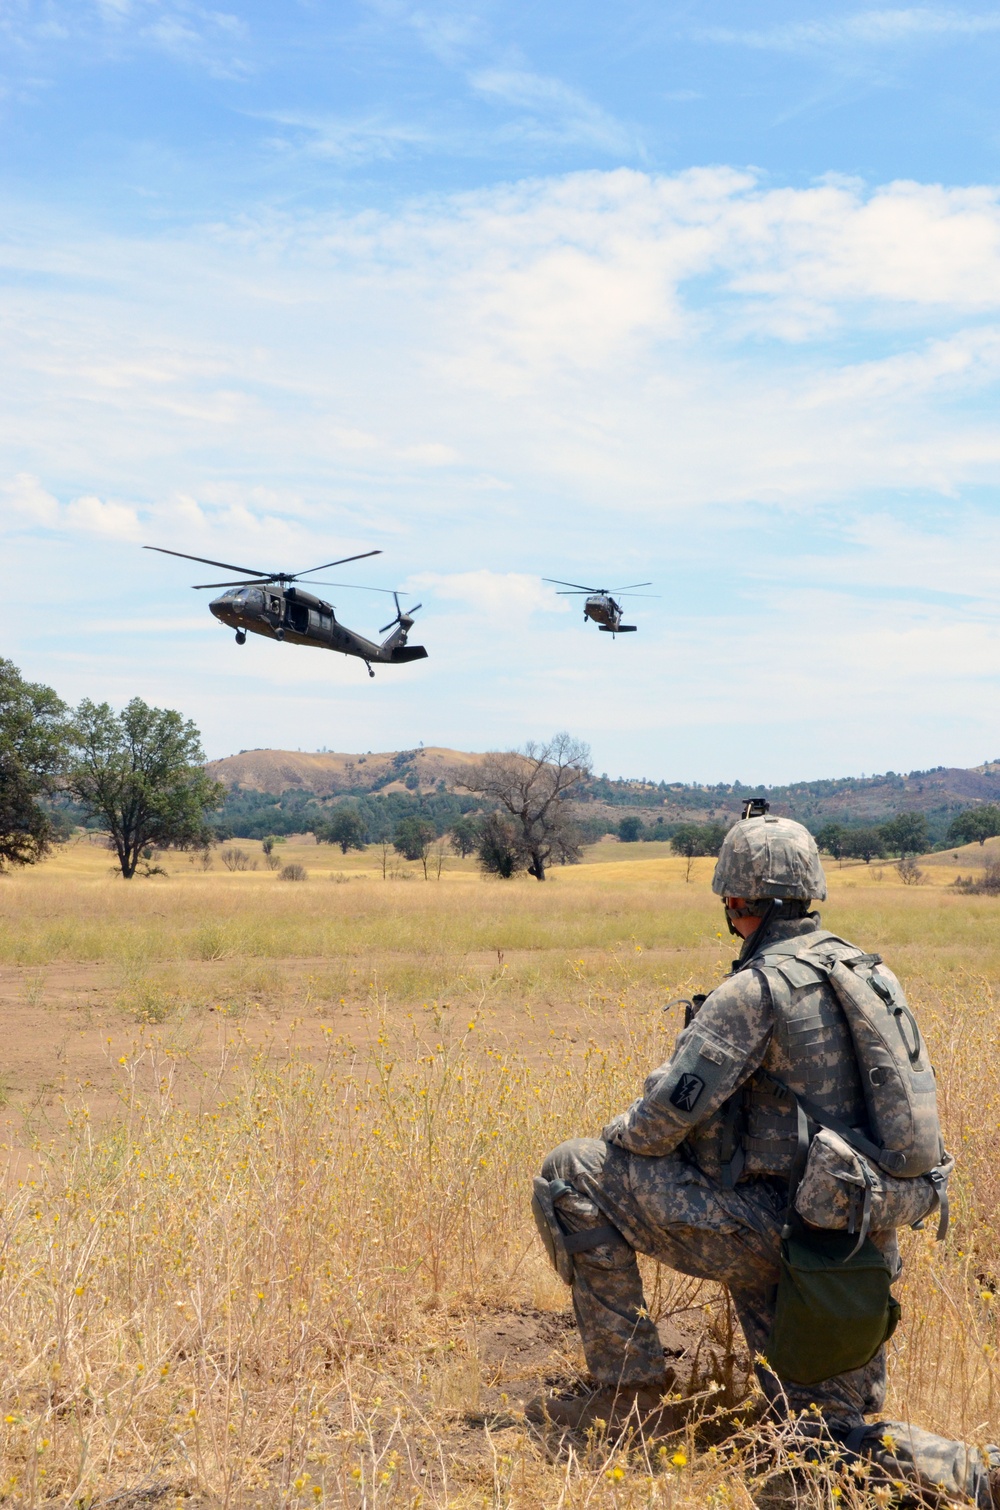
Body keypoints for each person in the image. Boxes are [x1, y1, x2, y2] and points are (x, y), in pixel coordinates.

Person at [529, 812, 999, 1507]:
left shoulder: (753, 993)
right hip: (855, 1248)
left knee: (570, 1169)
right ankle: (980, 1473)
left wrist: (626, 1122)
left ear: (736, 901)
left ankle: (626, 1395)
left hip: (768, 1238)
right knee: (817, 1445)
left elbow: (654, 1129)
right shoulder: (870, 974)